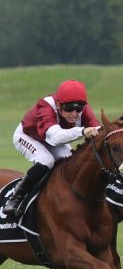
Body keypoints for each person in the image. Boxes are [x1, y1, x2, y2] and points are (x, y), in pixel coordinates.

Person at [2, 80, 101, 217]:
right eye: (69, 108)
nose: (74, 113)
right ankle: (16, 197)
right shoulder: (46, 105)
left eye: (78, 109)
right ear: (59, 105)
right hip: (27, 136)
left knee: (69, 162)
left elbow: (98, 132)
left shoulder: (84, 111)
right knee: (46, 160)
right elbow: (55, 138)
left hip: (50, 138)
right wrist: (82, 131)